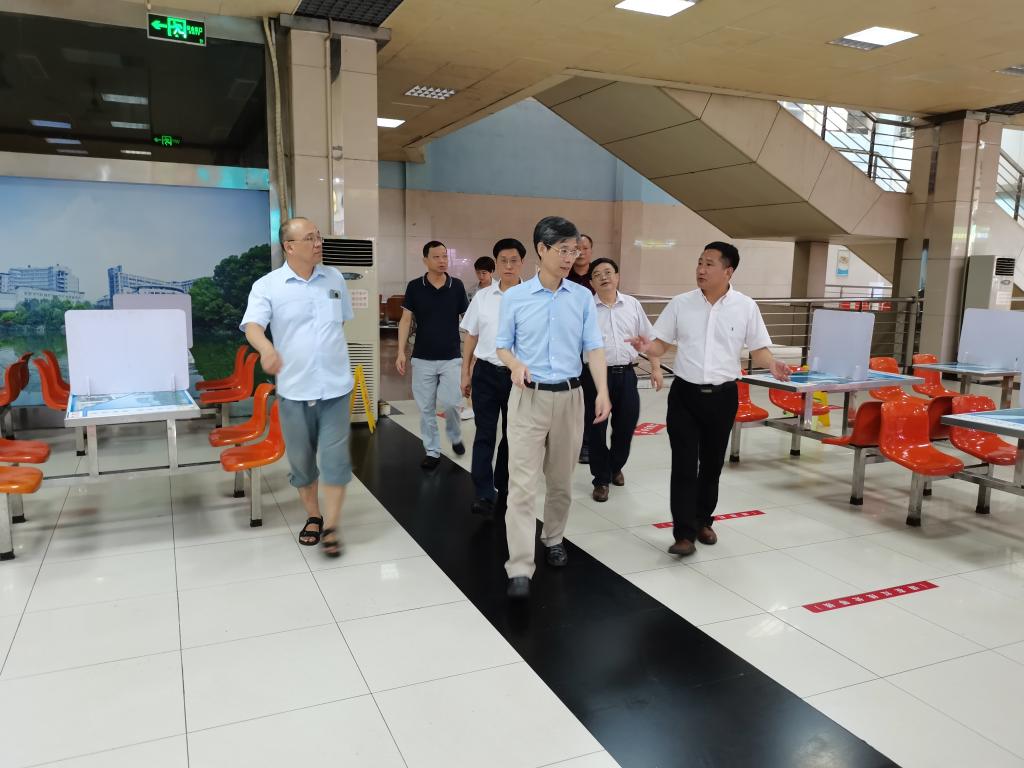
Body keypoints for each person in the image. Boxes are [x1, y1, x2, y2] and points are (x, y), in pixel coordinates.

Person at [629, 242, 789, 557]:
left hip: (723, 396)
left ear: (728, 271)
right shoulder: (680, 303)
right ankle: (683, 534)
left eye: (709, 264)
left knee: (712, 464)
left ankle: (703, 520)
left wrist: (772, 364)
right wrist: (646, 347)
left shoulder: (745, 306)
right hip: (685, 396)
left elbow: (758, 349)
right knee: (684, 464)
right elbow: (661, 345)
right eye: (700, 262)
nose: (701, 269)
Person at [496, 216, 610, 599]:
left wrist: (602, 391)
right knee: (521, 485)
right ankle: (519, 567)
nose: (570, 258)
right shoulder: (515, 298)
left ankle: (554, 537)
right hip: (527, 396)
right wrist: (515, 364)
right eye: (563, 250)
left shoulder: (581, 297)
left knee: (560, 481)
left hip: (570, 397)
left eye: (574, 250)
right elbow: (502, 346)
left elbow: (594, 347)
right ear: (542, 249)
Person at [241, 217, 354, 558]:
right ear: (289, 246)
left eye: (318, 236)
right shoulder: (268, 285)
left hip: (336, 387)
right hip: (294, 390)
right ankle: (314, 516)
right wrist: (267, 348)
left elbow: (341, 321)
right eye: (309, 238)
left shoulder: (334, 278)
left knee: (335, 460)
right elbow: (253, 326)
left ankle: (332, 526)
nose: (318, 243)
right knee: (302, 463)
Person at [586, 257, 663, 503]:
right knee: (596, 430)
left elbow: (648, 339)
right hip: (595, 376)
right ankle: (601, 479)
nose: (604, 277)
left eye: (608, 272)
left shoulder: (632, 305)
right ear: (591, 283)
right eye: (597, 274)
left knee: (626, 426)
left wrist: (656, 368)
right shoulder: (586, 307)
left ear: (617, 277)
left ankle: (615, 466)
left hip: (627, 374)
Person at [460, 238, 525, 516]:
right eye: (503, 261)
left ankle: (505, 484)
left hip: (518, 377)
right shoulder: (483, 297)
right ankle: (484, 492)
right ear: (496, 263)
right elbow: (471, 336)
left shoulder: (533, 296)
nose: (508, 266)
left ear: (522, 263)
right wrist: (465, 372)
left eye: (514, 260)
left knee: (513, 435)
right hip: (486, 373)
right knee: (484, 433)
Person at [397, 241, 469, 470]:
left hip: (451, 356)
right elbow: (405, 320)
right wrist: (400, 351)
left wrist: (471, 355)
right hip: (422, 358)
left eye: (445, 256)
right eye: (436, 257)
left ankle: (455, 435)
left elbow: (467, 321)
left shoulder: (456, 286)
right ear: (425, 260)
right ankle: (432, 451)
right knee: (426, 408)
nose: (442, 261)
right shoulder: (414, 287)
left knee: (451, 403)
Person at [572, 234, 595, 463]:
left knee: (589, 398)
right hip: (568, 348)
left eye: (585, 248)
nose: (580, 252)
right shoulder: (563, 276)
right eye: (576, 248)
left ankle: (586, 444)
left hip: (591, 349)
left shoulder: (597, 277)